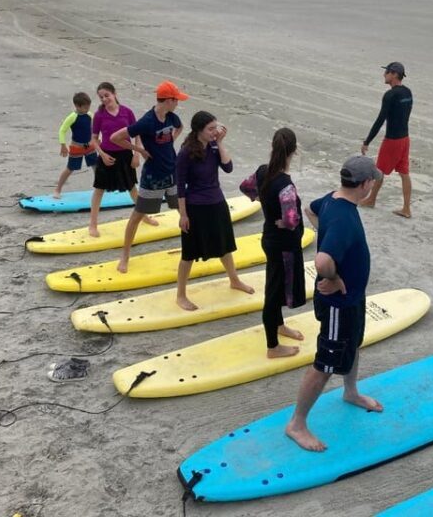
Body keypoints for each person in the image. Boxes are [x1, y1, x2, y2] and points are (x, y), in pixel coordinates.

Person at [285, 155, 384, 452]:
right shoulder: (343, 217)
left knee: (352, 344)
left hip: (351, 298)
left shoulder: (332, 199)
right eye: (373, 182)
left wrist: (323, 234)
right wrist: (334, 276)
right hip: (339, 303)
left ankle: (350, 392)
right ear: (365, 184)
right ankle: (297, 423)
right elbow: (322, 260)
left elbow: (309, 209)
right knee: (326, 362)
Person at [175, 111, 254, 309]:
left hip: (217, 203)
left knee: (224, 246)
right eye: (210, 129)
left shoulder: (213, 146)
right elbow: (180, 186)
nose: (214, 132)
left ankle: (234, 280)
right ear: (198, 130)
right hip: (196, 207)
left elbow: (228, 168)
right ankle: (180, 295)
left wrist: (219, 143)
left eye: (215, 128)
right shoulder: (186, 152)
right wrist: (183, 214)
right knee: (189, 253)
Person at [239, 128, 306, 358]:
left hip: (269, 238)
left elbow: (245, 187)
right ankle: (272, 346)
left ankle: (279, 325)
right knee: (274, 291)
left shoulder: (262, 172)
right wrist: (283, 221)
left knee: (274, 285)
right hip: (284, 245)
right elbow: (290, 220)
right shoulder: (286, 185)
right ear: (293, 151)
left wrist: (265, 204)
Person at [111, 81, 186, 272]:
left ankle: (197, 246)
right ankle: (125, 257)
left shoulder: (171, 117)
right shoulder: (147, 122)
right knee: (137, 216)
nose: (178, 103)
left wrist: (170, 142)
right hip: (153, 178)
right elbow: (115, 138)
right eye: (176, 100)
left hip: (173, 173)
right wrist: (139, 150)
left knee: (184, 211)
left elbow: (180, 126)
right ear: (168, 100)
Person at [88, 82, 153, 237]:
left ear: (114, 93)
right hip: (107, 155)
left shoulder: (127, 112)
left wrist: (137, 155)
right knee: (99, 190)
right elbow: (94, 139)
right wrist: (102, 155)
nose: (104, 99)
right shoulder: (99, 115)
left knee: (132, 188)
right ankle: (92, 225)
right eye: (101, 97)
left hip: (126, 155)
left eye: (107, 95)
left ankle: (144, 216)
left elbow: (137, 134)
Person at [360, 61, 413, 218]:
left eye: (387, 72)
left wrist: (367, 141)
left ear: (395, 74)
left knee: (379, 171)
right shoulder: (408, 92)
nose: (384, 74)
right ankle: (406, 209)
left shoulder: (390, 95)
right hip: (405, 138)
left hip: (393, 141)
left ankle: (371, 199)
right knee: (404, 173)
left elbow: (380, 120)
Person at [53, 92, 97, 198]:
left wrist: (97, 139)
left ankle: (100, 188)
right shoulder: (72, 117)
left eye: (88, 107)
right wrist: (63, 145)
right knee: (70, 168)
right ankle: (57, 189)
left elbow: (95, 128)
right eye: (85, 107)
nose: (87, 109)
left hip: (89, 145)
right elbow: (62, 131)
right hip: (76, 146)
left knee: (96, 166)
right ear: (77, 106)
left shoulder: (90, 115)